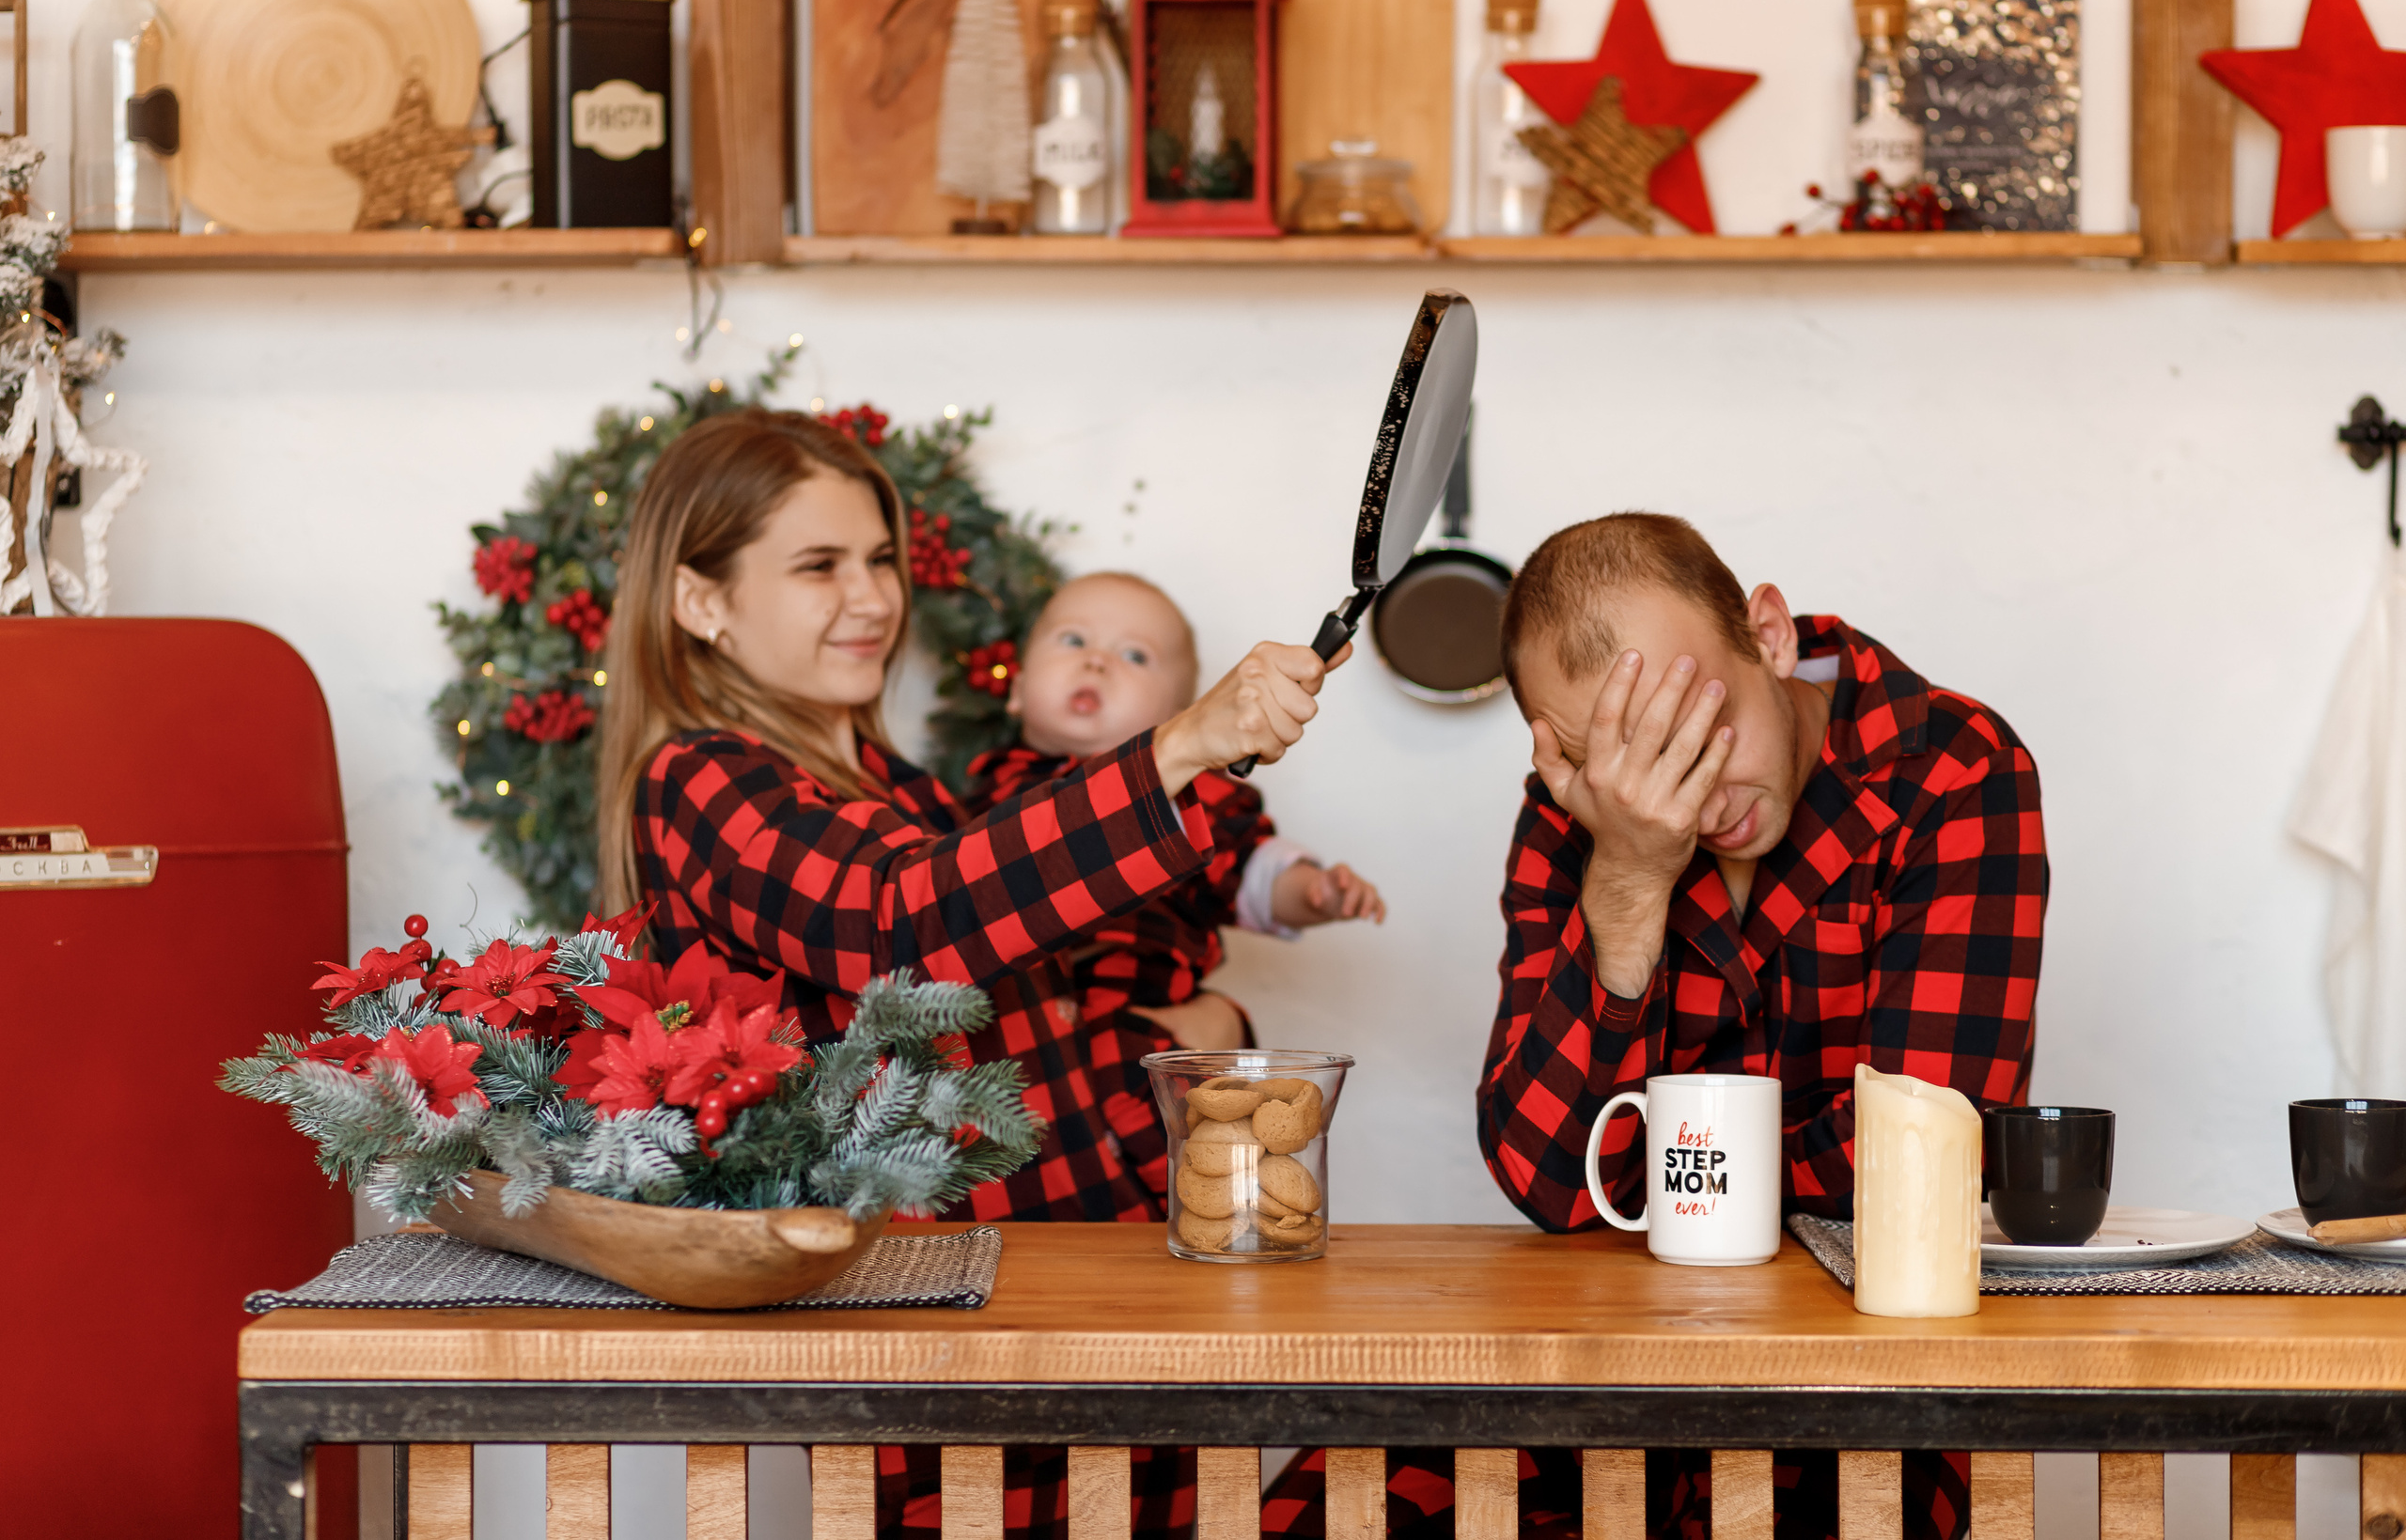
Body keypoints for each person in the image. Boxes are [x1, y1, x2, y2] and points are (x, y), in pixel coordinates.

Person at [594, 410, 1348, 1540]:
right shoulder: (698, 781)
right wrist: (1182, 743)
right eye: (819, 565)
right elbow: (891, 922)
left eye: (882, 559)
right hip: (930, 1312)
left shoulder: (915, 794)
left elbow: (1031, 984)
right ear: (702, 601)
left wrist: (1194, 1015)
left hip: (1086, 1274)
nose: (872, 597)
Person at [1486, 512, 2046, 1540]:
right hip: (1600, 1377)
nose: (1682, 802)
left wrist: (1663, 1169)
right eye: (1621, 761)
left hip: (1860, 1387)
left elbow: (1915, 1151)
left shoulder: (1955, 768)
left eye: (1699, 736)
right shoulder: (1590, 814)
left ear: (1770, 635)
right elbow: (1554, 1183)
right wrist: (1626, 879)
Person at [966, 571, 1386, 1193]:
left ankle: (1161, 1214)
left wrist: (1312, 892)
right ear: (1017, 689)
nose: (1098, 662)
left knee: (1181, 1152)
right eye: (1072, 640)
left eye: (1135, 655)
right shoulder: (984, 795)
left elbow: (1252, 870)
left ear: (1182, 719)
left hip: (1137, 1022)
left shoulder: (1189, 797)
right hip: (1023, 1037)